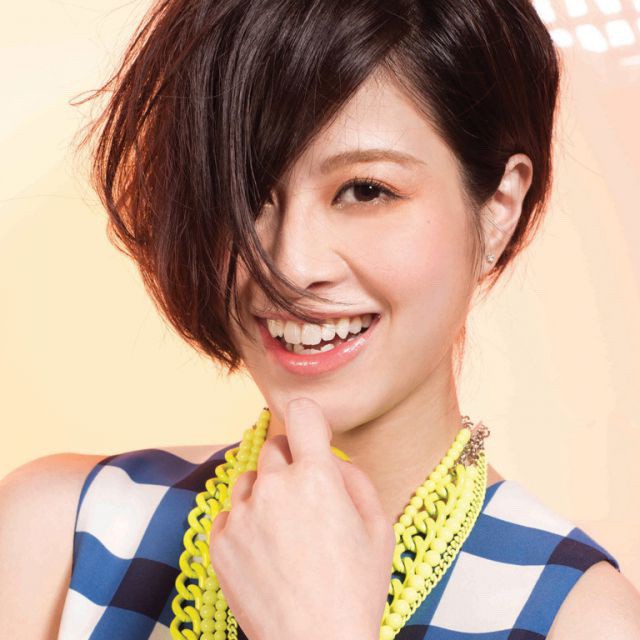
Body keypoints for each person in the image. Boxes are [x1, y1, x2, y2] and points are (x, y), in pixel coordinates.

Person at [1, 0, 639, 638]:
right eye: (248, 193)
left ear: (499, 206)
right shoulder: (62, 538)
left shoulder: (580, 619)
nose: (290, 265)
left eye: (365, 190)